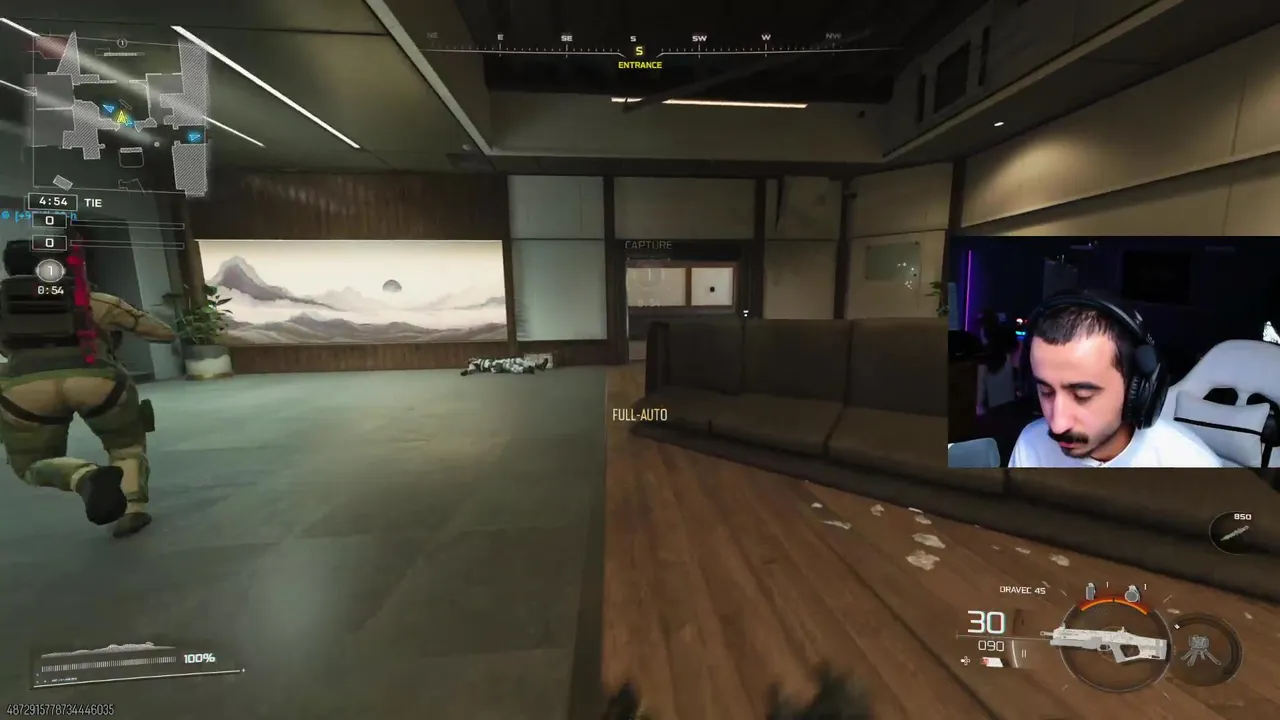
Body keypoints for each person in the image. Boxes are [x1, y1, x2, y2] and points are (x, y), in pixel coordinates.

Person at [0, 240, 176, 537]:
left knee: (31, 464)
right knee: (125, 447)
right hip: (99, 382)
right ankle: (133, 508)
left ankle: (83, 475)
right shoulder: (92, 300)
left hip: (24, 390)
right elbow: (163, 334)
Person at [1010, 290, 1222, 468]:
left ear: (1136, 390)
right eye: (1046, 392)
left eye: (1082, 396)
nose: (1058, 425)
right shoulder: (1031, 446)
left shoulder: (1193, 465)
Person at [976, 324, 1018, 417]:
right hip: (1008, 411)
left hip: (991, 413)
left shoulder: (984, 361)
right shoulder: (1009, 359)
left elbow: (979, 396)